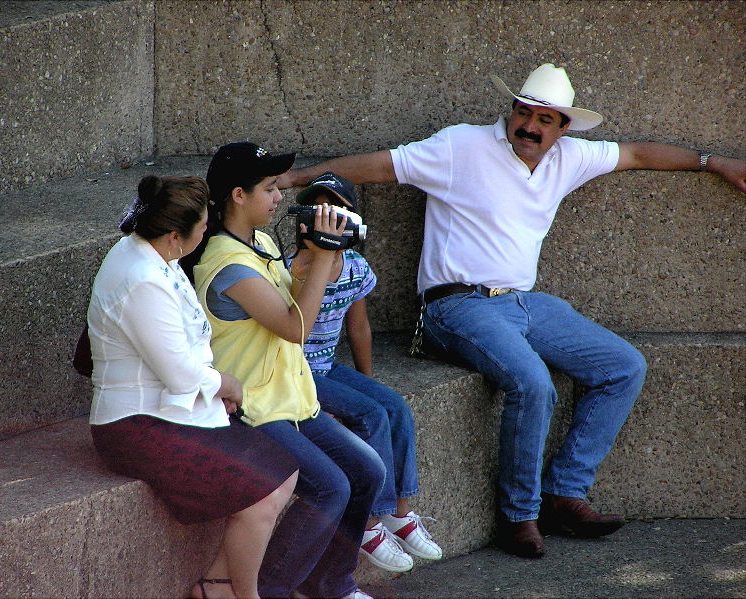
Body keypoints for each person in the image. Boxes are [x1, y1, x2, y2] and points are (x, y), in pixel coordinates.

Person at [278, 63, 746, 559]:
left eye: (544, 120)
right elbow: (380, 165)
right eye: (523, 113)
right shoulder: (462, 146)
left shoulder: (571, 157)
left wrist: (714, 161)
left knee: (623, 365)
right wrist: (298, 179)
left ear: (563, 128)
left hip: (524, 302)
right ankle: (518, 517)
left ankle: (565, 492)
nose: (529, 126)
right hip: (455, 304)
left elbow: (635, 153)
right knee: (532, 382)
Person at [182, 142, 384, 599]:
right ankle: (264, 591)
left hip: (292, 398)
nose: (280, 197)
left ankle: (330, 582)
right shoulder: (228, 263)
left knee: (368, 470)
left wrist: (323, 255)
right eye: (270, 188)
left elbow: (300, 291)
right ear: (237, 195)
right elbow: (296, 327)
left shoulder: (262, 243)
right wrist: (321, 259)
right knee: (330, 487)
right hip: (252, 406)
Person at [87, 174, 299, 599]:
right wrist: (228, 384)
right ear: (173, 235)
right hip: (136, 424)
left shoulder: (153, 253)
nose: (208, 230)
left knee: (285, 472)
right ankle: (245, 594)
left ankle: (218, 584)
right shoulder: (141, 278)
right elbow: (181, 375)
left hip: (170, 409)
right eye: (203, 226)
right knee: (260, 496)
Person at [293, 173, 443, 573]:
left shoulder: (357, 267)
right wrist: (307, 262)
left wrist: (368, 380)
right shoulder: (292, 265)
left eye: (336, 211)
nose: (327, 219)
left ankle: (400, 513)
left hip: (327, 364)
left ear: (353, 219)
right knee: (371, 415)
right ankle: (369, 525)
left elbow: (359, 327)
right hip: (294, 370)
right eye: (317, 210)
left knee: (392, 405)